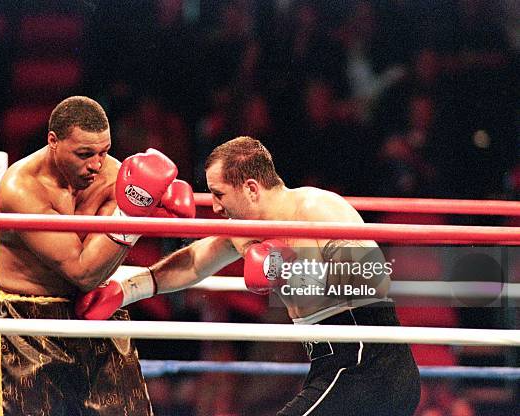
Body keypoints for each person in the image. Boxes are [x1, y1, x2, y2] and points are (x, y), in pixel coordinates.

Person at [76, 136, 421, 416]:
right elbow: (196, 261)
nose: (214, 206)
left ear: (252, 188)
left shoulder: (317, 210)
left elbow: (372, 277)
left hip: (370, 364)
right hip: (331, 365)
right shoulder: (247, 229)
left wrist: (288, 271)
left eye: (219, 193)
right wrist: (127, 290)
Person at [0, 96, 195, 415]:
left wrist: (143, 211)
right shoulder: (21, 188)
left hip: (98, 309)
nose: (97, 165)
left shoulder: (114, 175)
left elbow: (100, 265)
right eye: (84, 154)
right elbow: (81, 270)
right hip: (30, 320)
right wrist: (133, 215)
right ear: (53, 142)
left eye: (104, 151)